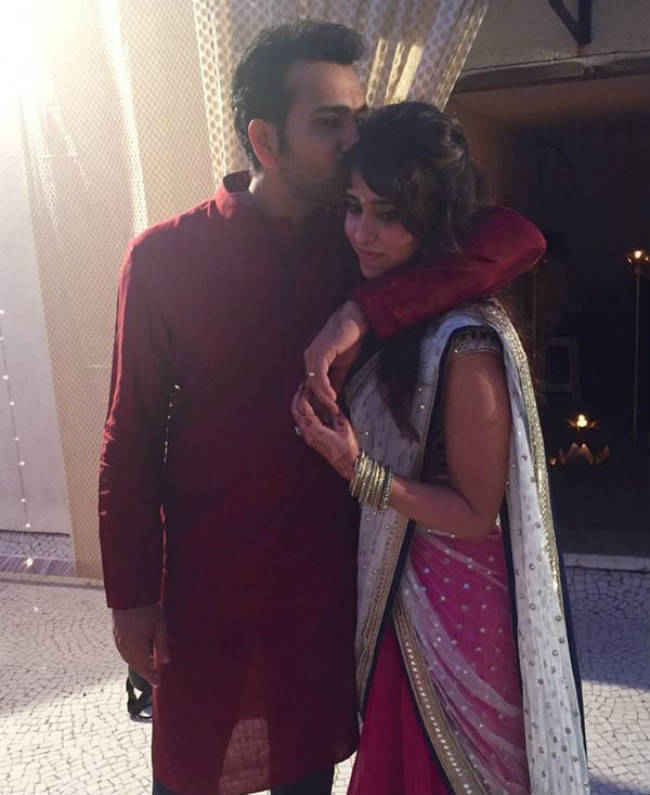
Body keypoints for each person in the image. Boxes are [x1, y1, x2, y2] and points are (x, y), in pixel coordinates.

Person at [99, 22, 546, 795]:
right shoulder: (165, 259)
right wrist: (130, 597)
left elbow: (515, 239)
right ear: (265, 140)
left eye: (357, 119)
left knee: (308, 777)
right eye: (330, 123)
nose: (353, 141)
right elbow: (128, 441)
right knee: (190, 774)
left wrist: (363, 311)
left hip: (323, 599)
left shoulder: (360, 245)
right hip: (208, 593)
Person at [292, 102, 589, 795]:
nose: (362, 232)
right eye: (354, 207)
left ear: (431, 218)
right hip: (399, 595)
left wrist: (358, 470)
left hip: (456, 617)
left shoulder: (466, 341)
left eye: (389, 214)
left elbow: (475, 511)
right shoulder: (391, 307)